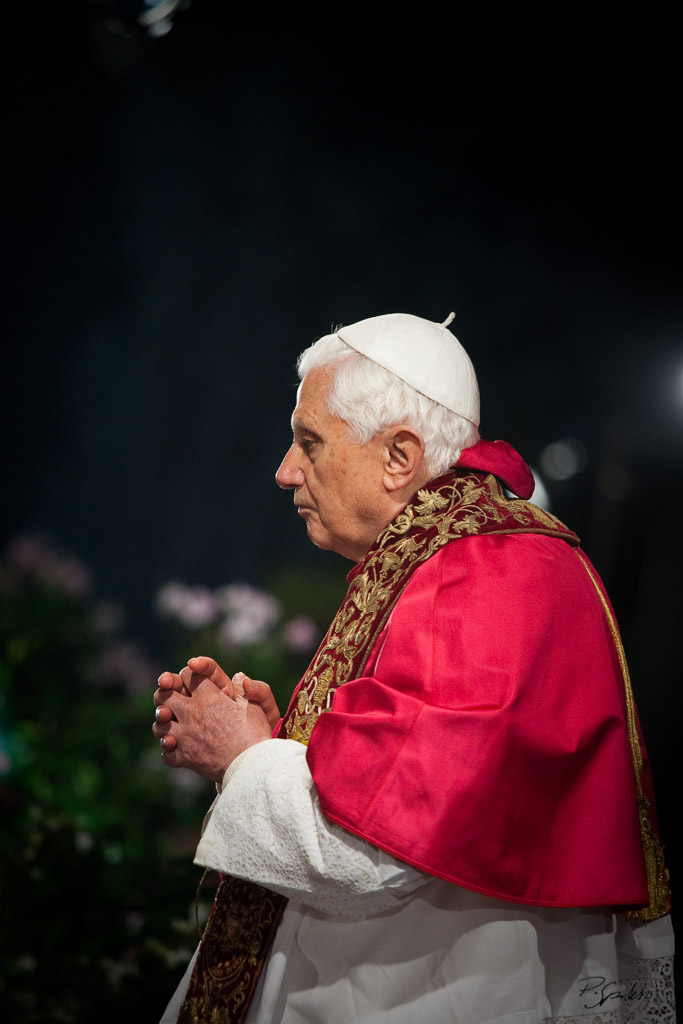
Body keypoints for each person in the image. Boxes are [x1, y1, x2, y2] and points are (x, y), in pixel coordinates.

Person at [153, 313, 675, 1024]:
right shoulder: (457, 552)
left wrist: (243, 757)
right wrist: (288, 748)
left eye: (309, 443)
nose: (285, 470)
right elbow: (403, 783)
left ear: (399, 455)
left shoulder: (482, 573)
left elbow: (369, 845)